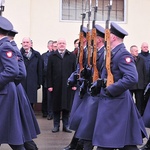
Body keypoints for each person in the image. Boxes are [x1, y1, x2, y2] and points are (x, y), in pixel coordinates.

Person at [92, 22, 147, 150]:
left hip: (117, 101)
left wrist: (111, 89)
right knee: (123, 142)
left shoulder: (123, 54)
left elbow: (132, 77)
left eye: (108, 35)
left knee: (108, 141)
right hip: (113, 101)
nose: (106, 37)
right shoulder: (113, 53)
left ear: (113, 37)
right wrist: (99, 83)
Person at [71, 24, 105, 150]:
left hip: (98, 94)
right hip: (90, 91)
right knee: (85, 122)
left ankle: (79, 144)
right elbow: (84, 68)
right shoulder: (88, 51)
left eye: (93, 38)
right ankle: (78, 144)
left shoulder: (104, 53)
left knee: (89, 123)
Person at [7, 29, 41, 150]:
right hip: (17, 90)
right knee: (19, 126)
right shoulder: (14, 48)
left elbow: (18, 73)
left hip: (11, 91)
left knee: (17, 127)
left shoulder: (7, 48)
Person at [0, 16, 26, 150]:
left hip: (4, 94)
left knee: (12, 132)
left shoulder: (4, 47)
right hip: (5, 92)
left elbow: (13, 71)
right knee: (11, 132)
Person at [63, 27, 88, 150]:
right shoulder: (82, 51)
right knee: (80, 118)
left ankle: (78, 144)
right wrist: (73, 77)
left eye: (82, 37)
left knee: (84, 118)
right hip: (81, 88)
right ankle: (76, 144)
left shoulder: (90, 52)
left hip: (88, 90)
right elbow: (79, 68)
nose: (80, 40)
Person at [47, 38, 76, 133]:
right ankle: (56, 125)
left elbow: (75, 71)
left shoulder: (71, 56)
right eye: (60, 43)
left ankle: (66, 126)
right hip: (56, 86)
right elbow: (49, 72)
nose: (62, 45)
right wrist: (49, 85)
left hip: (68, 86)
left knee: (67, 106)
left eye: (63, 43)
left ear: (66, 44)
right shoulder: (52, 56)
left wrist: (74, 84)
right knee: (56, 106)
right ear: (57, 45)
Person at [20, 37, 42, 108]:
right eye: (24, 42)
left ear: (31, 44)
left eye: (27, 42)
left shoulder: (37, 55)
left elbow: (40, 69)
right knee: (21, 102)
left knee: (30, 103)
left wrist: (39, 83)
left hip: (33, 83)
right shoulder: (18, 54)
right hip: (21, 83)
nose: (25, 44)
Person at [129, 45, 147, 115]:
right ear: (131, 51)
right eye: (135, 51)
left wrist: (145, 83)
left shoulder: (141, 59)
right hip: (131, 84)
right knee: (130, 101)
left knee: (139, 101)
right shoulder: (128, 59)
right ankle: (131, 114)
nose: (137, 52)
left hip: (140, 84)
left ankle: (139, 115)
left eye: (137, 50)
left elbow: (144, 71)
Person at [41, 40, 54, 119]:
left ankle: (51, 113)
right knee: (45, 97)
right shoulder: (44, 55)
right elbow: (44, 67)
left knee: (51, 98)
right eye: (51, 46)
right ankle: (45, 112)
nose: (53, 47)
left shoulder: (55, 55)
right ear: (48, 46)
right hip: (45, 78)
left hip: (54, 79)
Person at [139, 42, 150, 113]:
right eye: (144, 47)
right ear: (141, 48)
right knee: (141, 98)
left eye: (147, 47)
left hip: (149, 79)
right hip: (141, 81)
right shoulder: (139, 57)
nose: (146, 48)